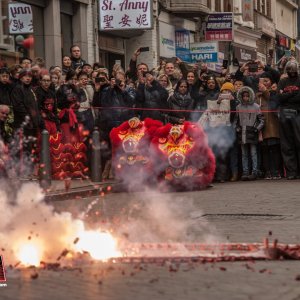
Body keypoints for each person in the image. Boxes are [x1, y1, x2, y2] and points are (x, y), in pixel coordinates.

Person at [235, 86, 264, 181]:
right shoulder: (238, 107)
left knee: (253, 153)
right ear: (241, 96)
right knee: (244, 154)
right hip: (242, 133)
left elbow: (262, 120)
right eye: (244, 96)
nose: (245, 97)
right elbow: (235, 120)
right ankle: (245, 172)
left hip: (252, 132)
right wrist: (237, 128)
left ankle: (254, 172)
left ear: (250, 95)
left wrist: (257, 129)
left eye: (247, 96)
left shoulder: (256, 106)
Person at [277, 60, 300, 179]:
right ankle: (291, 172)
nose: (291, 73)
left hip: (297, 114)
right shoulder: (282, 81)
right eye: (289, 71)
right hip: (285, 115)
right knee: (286, 144)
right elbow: (279, 98)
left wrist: (287, 94)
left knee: (299, 141)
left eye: (293, 71)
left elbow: (298, 98)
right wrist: (293, 93)